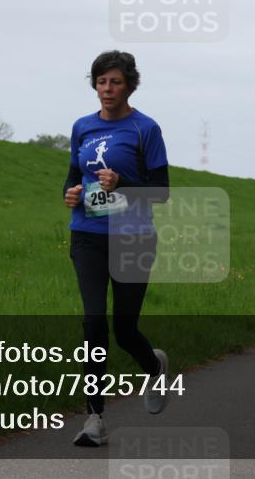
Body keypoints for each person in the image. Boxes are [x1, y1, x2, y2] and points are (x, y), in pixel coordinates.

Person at [62, 51, 170, 446]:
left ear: (129, 85)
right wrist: (71, 194)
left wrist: (121, 184)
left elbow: (161, 193)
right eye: (101, 82)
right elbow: (73, 178)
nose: (107, 89)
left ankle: (154, 368)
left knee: (124, 329)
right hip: (87, 234)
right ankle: (95, 418)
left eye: (116, 82)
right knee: (93, 322)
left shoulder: (146, 129)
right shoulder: (82, 127)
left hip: (134, 236)